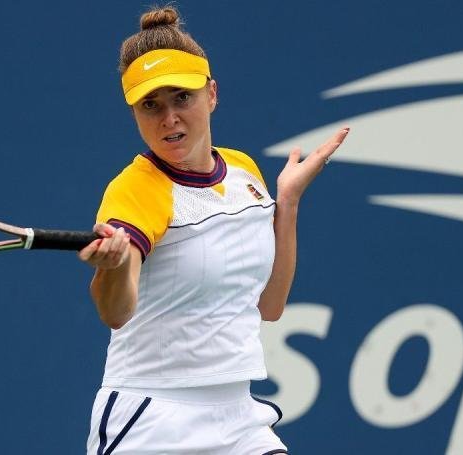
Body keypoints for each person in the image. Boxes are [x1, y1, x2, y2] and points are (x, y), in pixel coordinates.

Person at [77, 6, 349, 455]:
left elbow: (269, 306)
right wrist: (113, 267)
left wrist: (288, 203)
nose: (169, 118)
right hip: (152, 421)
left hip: (238, 418)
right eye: (150, 105)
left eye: (182, 97)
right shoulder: (136, 189)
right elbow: (116, 312)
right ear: (135, 114)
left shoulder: (243, 171)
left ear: (212, 95)